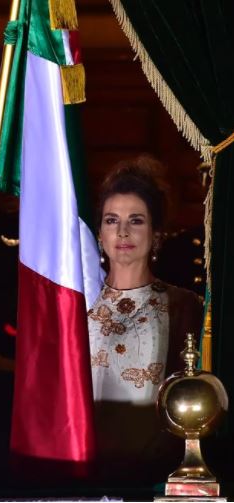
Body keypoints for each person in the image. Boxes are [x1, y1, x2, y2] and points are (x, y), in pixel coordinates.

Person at [89, 156, 203, 481]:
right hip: (80, 475)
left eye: (136, 220)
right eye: (111, 221)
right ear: (99, 234)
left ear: (155, 234)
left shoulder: (184, 306)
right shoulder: (77, 304)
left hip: (155, 476)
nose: (123, 232)